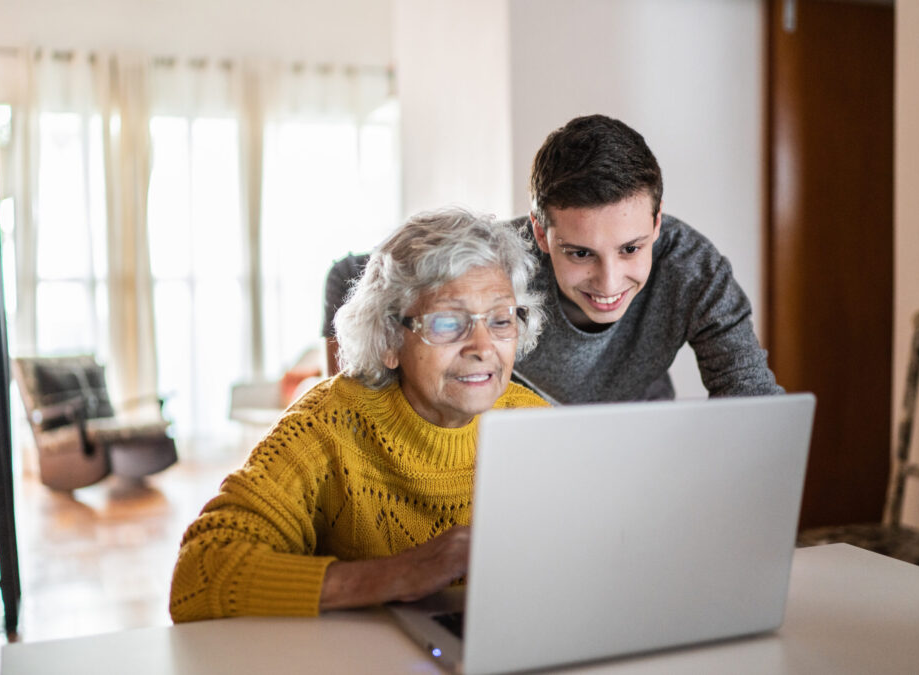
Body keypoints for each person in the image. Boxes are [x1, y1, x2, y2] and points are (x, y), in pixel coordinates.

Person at [169, 207, 548, 621]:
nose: (482, 345)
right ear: (388, 340)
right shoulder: (327, 424)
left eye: (499, 319)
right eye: (446, 322)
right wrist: (396, 576)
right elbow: (199, 575)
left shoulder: (539, 426)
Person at [323, 114, 782, 402]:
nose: (609, 282)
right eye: (580, 253)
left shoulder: (695, 271)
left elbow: (752, 400)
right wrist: (347, 400)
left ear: (657, 224)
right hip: (519, 440)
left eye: (631, 249)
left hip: (635, 434)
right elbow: (349, 273)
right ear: (540, 233)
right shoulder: (499, 258)